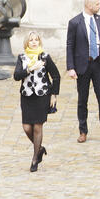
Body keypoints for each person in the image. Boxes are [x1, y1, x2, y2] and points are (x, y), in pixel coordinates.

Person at [13, 31, 60, 172]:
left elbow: (56, 76)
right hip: (27, 96)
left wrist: (54, 95)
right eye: (31, 40)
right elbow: (16, 76)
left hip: (42, 96)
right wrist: (29, 69)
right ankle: (39, 148)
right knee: (27, 127)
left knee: (38, 127)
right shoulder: (22, 58)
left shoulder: (45, 57)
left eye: (36, 40)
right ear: (27, 42)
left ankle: (34, 159)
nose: (34, 42)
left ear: (39, 42)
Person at [66, 0, 100, 143]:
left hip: (99, 64)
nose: (99, 6)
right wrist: (71, 67)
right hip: (83, 65)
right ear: (89, 5)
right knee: (82, 100)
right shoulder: (75, 22)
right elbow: (70, 45)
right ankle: (83, 131)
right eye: (97, 4)